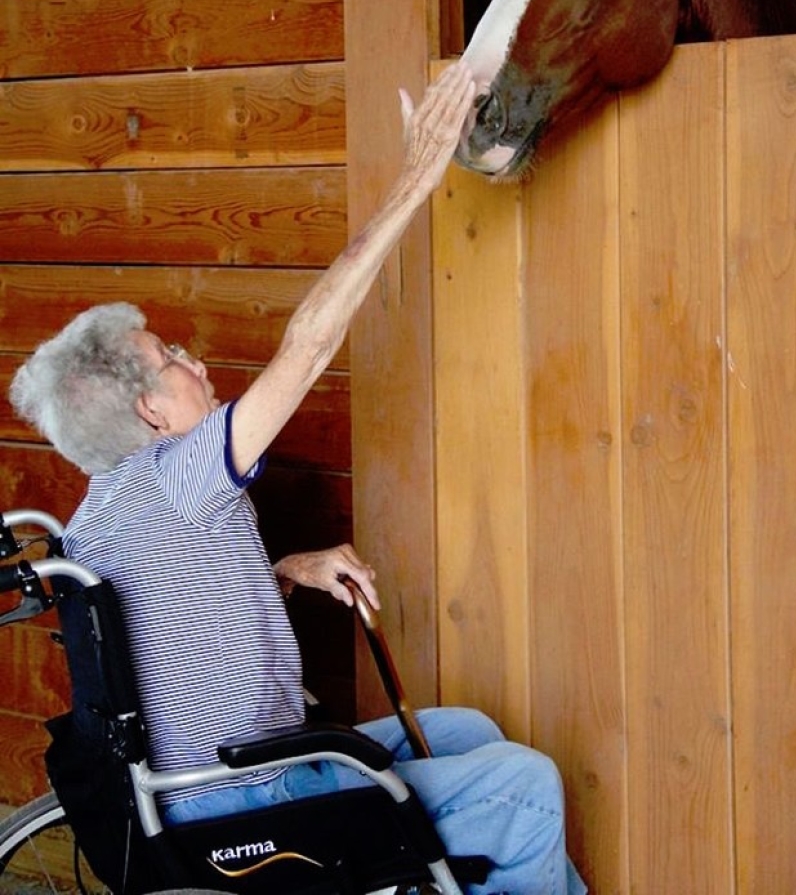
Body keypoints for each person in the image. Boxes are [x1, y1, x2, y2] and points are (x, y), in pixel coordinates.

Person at [10, 61, 586, 895]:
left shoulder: (105, 513)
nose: (194, 360)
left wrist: (291, 568)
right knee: (526, 787)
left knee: (467, 727)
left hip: (214, 783)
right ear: (150, 415)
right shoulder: (181, 474)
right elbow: (310, 343)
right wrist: (416, 177)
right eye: (169, 359)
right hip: (255, 796)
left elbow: (181, 630)